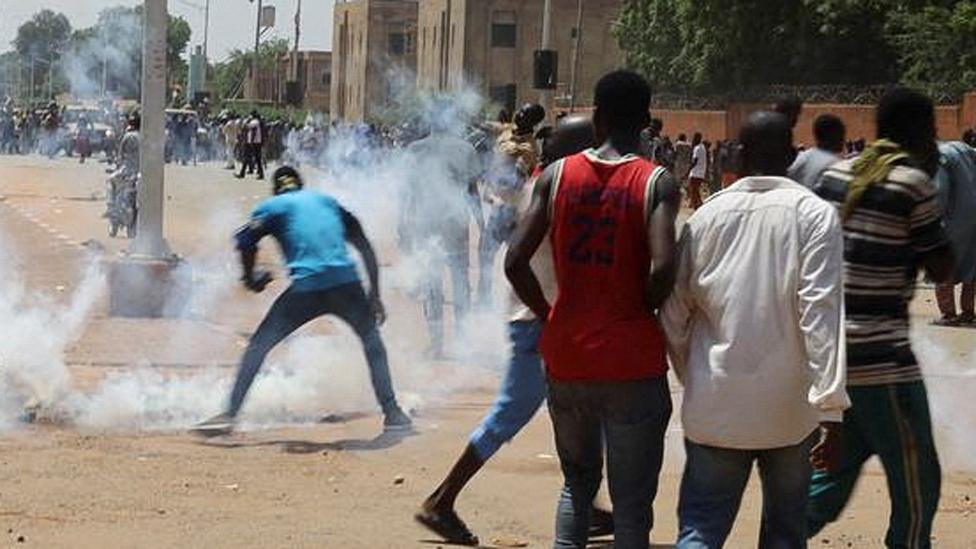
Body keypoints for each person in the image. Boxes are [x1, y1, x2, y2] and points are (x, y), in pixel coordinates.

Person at [416, 115, 613, 546]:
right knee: (511, 415)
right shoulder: (556, 194)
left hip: (545, 323)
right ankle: (441, 500)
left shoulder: (540, 188)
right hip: (539, 326)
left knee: (584, 414)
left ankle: (590, 505)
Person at [505, 70, 680, 549]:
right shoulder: (656, 182)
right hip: (630, 358)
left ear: (597, 117)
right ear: (646, 121)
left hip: (568, 353)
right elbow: (664, 268)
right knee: (631, 503)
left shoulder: (557, 175)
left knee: (577, 484)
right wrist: (636, 308)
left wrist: (548, 314)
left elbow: (515, 261)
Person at [662, 111, 850, 548]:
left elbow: (673, 314)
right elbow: (820, 311)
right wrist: (831, 408)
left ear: (738, 154)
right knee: (785, 533)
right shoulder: (815, 215)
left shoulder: (707, 216)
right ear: (791, 155)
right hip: (790, 412)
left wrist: (695, 377)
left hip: (715, 406)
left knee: (701, 530)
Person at [807, 88, 955, 549]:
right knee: (918, 481)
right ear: (921, 130)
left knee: (829, 480)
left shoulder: (836, 176)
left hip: (832, 362)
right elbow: (943, 268)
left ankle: (780, 536)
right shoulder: (912, 183)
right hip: (884, 362)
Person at [192, 166, 412, 437]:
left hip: (307, 287)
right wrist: (374, 295)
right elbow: (364, 243)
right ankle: (393, 413)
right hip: (346, 283)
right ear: (300, 185)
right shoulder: (327, 201)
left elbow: (244, 239)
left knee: (259, 345)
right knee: (372, 341)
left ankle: (230, 414)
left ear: (276, 189)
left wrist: (250, 278)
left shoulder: (272, 206)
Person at [402, 109, 483, 358]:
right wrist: (481, 223)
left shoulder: (415, 150)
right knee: (460, 281)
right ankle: (462, 342)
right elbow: (472, 192)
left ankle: (436, 344)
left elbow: (409, 193)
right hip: (455, 222)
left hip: (425, 221)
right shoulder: (466, 149)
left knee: (432, 282)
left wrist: (403, 222)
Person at [478, 103, 545, 306]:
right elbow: (489, 126)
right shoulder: (508, 130)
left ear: (532, 122)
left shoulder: (528, 148)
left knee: (507, 255)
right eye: (520, 110)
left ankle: (508, 299)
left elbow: (517, 178)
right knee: (487, 254)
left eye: (525, 113)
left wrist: (500, 175)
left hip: (508, 208)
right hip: (499, 204)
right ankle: (486, 296)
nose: (519, 114)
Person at [931, 141, 976, 326]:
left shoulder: (941, 156)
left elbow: (940, 190)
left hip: (952, 218)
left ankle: (948, 314)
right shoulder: (969, 152)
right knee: (973, 265)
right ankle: (968, 312)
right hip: (974, 217)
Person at [789, 114, 846, 188]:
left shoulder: (803, 156)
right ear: (835, 136)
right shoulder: (836, 165)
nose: (843, 140)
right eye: (842, 135)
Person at [236, 111, 265, 180]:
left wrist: (247, 121)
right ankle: (243, 173)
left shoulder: (255, 122)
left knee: (253, 158)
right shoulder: (256, 121)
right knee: (251, 158)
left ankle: (259, 174)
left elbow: (245, 126)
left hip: (254, 143)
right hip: (254, 142)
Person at [688, 132, 707, 209]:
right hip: (701, 172)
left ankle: (697, 205)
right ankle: (698, 204)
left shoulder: (697, 148)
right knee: (695, 190)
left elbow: (695, 160)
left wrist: (688, 169)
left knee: (693, 189)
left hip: (695, 172)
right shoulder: (703, 147)